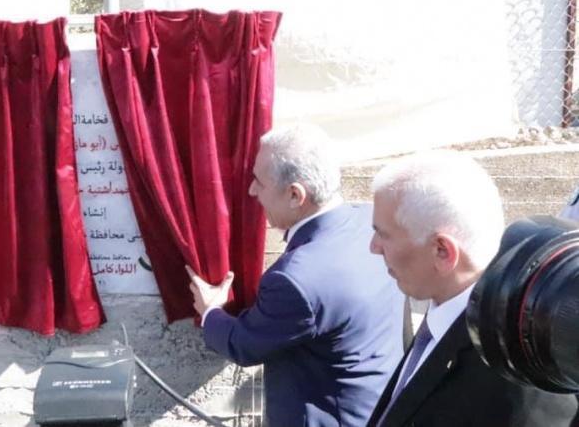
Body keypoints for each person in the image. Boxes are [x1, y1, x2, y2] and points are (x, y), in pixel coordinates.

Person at [187, 124, 404, 427]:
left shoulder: (295, 281)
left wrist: (211, 311)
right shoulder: (370, 221)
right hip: (379, 408)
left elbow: (244, 344)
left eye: (259, 182)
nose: (251, 191)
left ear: (294, 195)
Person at [367, 151, 579, 427]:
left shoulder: (517, 377)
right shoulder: (447, 308)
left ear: (442, 251)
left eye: (383, 234)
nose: (373, 247)